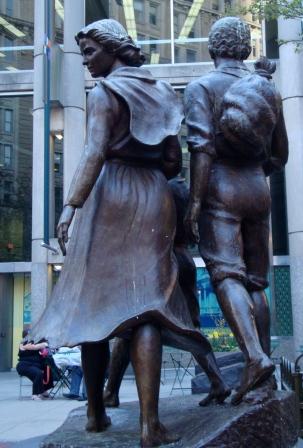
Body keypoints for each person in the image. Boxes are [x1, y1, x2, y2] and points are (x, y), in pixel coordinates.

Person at [32, 19, 228, 447]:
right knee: (148, 304)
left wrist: (70, 206)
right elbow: (174, 161)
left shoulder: (105, 92)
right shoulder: (162, 91)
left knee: (93, 306)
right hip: (154, 195)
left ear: (114, 48)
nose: (85, 62)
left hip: (111, 196)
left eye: (89, 53)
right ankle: (149, 424)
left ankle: (96, 412)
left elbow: (94, 151)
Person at [184, 17, 288, 405]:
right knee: (256, 282)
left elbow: (201, 148)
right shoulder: (267, 89)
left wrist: (194, 203)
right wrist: (257, 173)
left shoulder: (201, 88)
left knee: (227, 273)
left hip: (220, 188)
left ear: (213, 49)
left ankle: (256, 358)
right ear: (245, 49)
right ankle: (261, 375)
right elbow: (281, 154)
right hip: (257, 188)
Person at [104, 177, 226, 408]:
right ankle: (217, 381)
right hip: (182, 260)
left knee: (132, 327)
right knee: (189, 327)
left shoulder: (159, 190)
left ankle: (111, 391)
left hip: (162, 261)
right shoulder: (180, 189)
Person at [16, 330, 53, 400]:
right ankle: (35, 395)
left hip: (35, 365)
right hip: (24, 365)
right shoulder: (22, 344)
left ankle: (43, 390)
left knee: (47, 369)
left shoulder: (37, 343)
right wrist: (40, 345)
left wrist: (43, 347)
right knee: (38, 373)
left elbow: (44, 345)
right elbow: (34, 347)